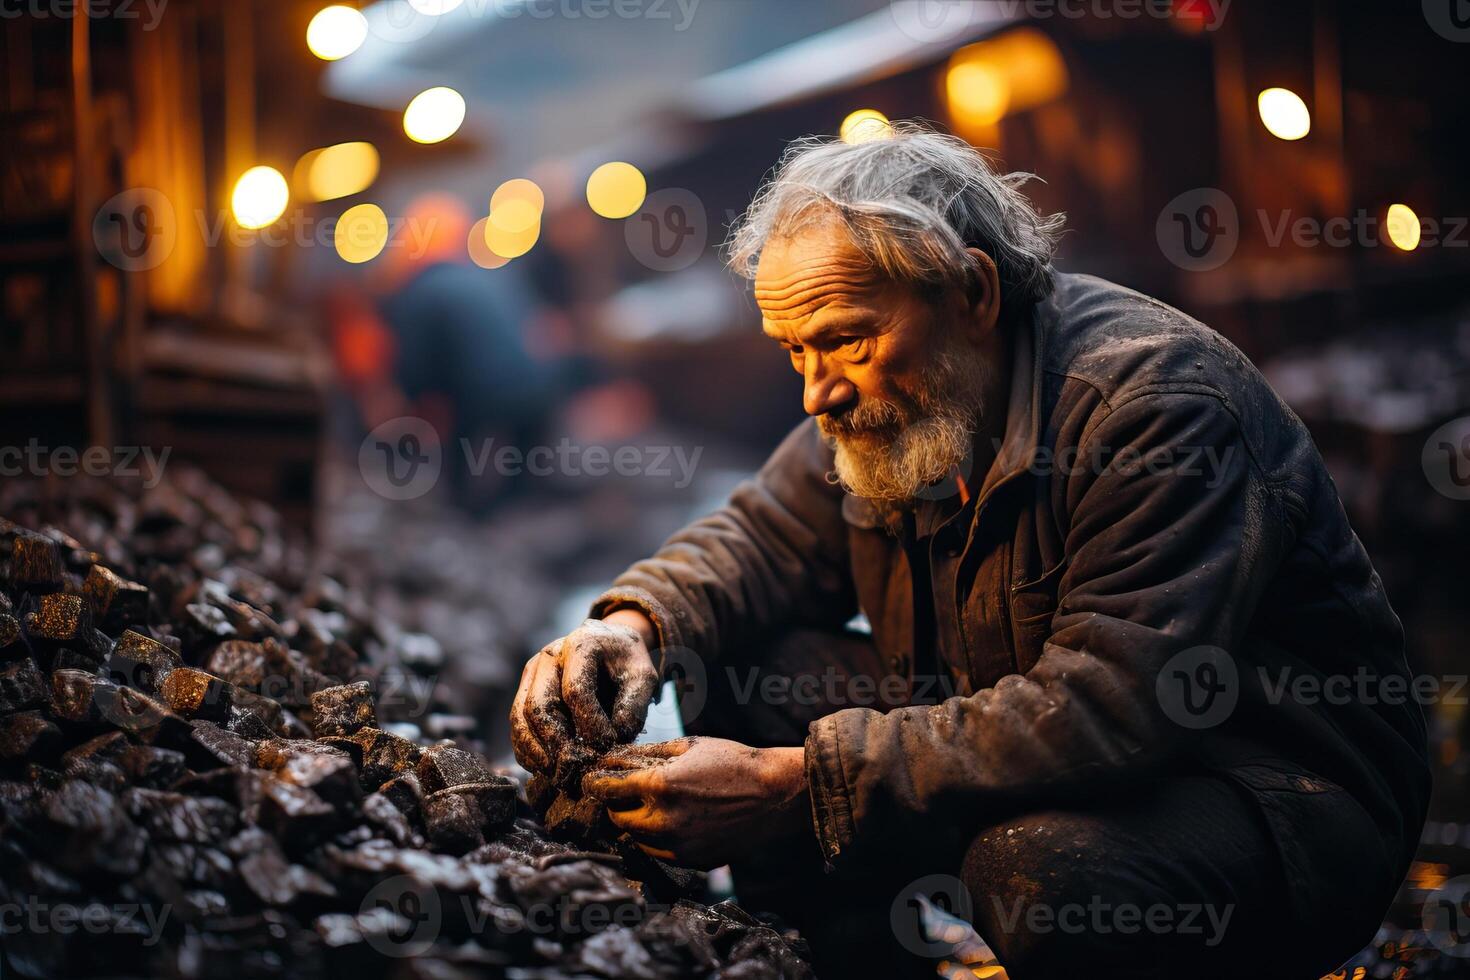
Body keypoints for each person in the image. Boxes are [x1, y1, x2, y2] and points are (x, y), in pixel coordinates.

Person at [509, 123, 1429, 978]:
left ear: (975, 293)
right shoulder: (903, 393)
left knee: (1038, 867)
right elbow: (758, 536)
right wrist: (634, 625)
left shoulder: (1154, 411)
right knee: (759, 667)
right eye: (794, 352)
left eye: (844, 342)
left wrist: (792, 783)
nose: (815, 394)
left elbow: (1111, 709)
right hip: (1023, 745)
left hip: (1271, 797)